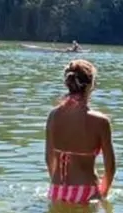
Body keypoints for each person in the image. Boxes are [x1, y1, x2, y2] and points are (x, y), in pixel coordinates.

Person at [45, 59, 116, 204]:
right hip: (86, 191)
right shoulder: (101, 121)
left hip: (57, 190)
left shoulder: (53, 116)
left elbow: (48, 158)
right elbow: (110, 167)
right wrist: (103, 193)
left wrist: (56, 184)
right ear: (91, 85)